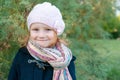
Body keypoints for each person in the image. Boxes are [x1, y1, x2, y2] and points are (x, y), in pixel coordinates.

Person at [8, 2, 76, 80]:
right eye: (36, 29)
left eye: (48, 29)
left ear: (56, 32)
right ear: (30, 31)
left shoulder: (65, 60)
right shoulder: (22, 55)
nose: (41, 35)